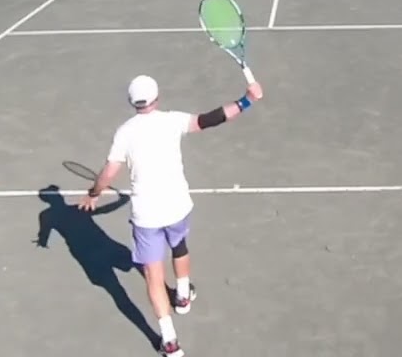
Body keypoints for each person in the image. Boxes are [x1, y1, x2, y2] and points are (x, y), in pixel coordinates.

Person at [79, 74, 265, 357]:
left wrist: (93, 194)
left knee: (153, 278)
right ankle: (182, 295)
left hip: (147, 217)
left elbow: (108, 173)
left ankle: (169, 342)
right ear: (157, 97)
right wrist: (247, 100)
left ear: (132, 102)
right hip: (177, 206)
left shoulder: (125, 132)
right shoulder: (172, 120)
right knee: (179, 246)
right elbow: (210, 119)